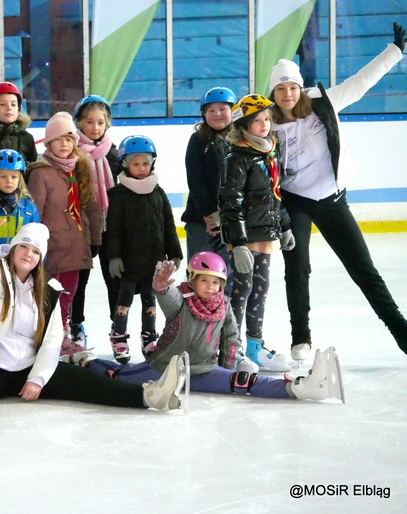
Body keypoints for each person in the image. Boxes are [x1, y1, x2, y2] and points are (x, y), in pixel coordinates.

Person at [0, 204, 189, 430]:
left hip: (29, 367)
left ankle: (151, 396)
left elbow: (52, 340)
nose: (28, 254)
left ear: (41, 258)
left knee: (87, 383)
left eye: (35, 251)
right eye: (24, 247)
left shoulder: (49, 290)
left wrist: (38, 379)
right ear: (13, 248)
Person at [268, 21, 407, 360]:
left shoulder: (323, 104)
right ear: (273, 93)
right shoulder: (267, 119)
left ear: (301, 89)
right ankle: (300, 337)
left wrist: (395, 52)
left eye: (292, 87)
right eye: (280, 89)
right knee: (297, 266)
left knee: (364, 270)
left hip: (331, 198)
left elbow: (361, 83)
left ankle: (402, 333)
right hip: (294, 202)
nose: (287, 94)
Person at [84, 254, 345, 403]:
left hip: (204, 371)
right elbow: (166, 296)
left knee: (245, 382)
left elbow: (232, 337)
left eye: (216, 282)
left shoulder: (224, 306)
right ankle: (84, 362)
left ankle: (301, 387)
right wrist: (161, 285)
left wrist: (229, 369)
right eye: (204, 281)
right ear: (192, 281)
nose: (211, 287)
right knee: (119, 375)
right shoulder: (181, 301)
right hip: (164, 369)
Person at [218, 94, 294, 372]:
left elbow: (274, 195)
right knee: (242, 288)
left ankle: (254, 345)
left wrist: (284, 225)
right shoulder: (237, 156)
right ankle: (232, 348)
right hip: (244, 234)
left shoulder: (267, 152)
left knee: (260, 288)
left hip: (264, 232)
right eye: (257, 121)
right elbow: (230, 201)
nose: (263, 124)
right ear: (244, 126)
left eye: (266, 119)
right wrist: (237, 243)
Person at [27, 112, 101, 361]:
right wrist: (34, 245)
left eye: (69, 139)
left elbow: (90, 206)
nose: (64, 145)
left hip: (77, 245)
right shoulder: (41, 173)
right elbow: (34, 212)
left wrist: (96, 239)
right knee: (50, 296)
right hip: (52, 248)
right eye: (58, 139)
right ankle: (49, 337)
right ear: (48, 143)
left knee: (69, 294)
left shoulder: (81, 168)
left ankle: (64, 335)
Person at [105, 135, 182, 364]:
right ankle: (119, 337)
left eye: (145, 163)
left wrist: (175, 252)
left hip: (153, 261)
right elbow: (113, 230)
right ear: (125, 165)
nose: (141, 168)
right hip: (128, 262)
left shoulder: (158, 193)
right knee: (124, 300)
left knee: (150, 300)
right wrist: (114, 257)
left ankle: (149, 338)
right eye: (135, 163)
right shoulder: (117, 195)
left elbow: (169, 224)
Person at [70, 95, 122, 348]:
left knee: (114, 279)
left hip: (111, 228)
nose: (95, 127)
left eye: (100, 122)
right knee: (79, 281)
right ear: (79, 123)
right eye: (89, 122)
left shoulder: (114, 154)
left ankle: (118, 327)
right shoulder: (72, 153)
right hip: (83, 228)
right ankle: (75, 324)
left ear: (107, 124)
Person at [181, 87, 237, 297]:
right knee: (200, 274)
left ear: (232, 111)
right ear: (204, 114)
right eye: (211, 110)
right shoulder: (198, 141)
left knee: (227, 276)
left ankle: (226, 325)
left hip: (233, 219)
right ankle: (199, 324)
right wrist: (210, 215)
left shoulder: (241, 139)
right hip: (201, 221)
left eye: (222, 109)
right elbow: (196, 181)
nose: (217, 114)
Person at [0, 82, 37, 162]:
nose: (9, 108)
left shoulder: (27, 138)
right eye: (2, 104)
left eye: (13, 104)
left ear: (18, 110)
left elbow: (33, 169)